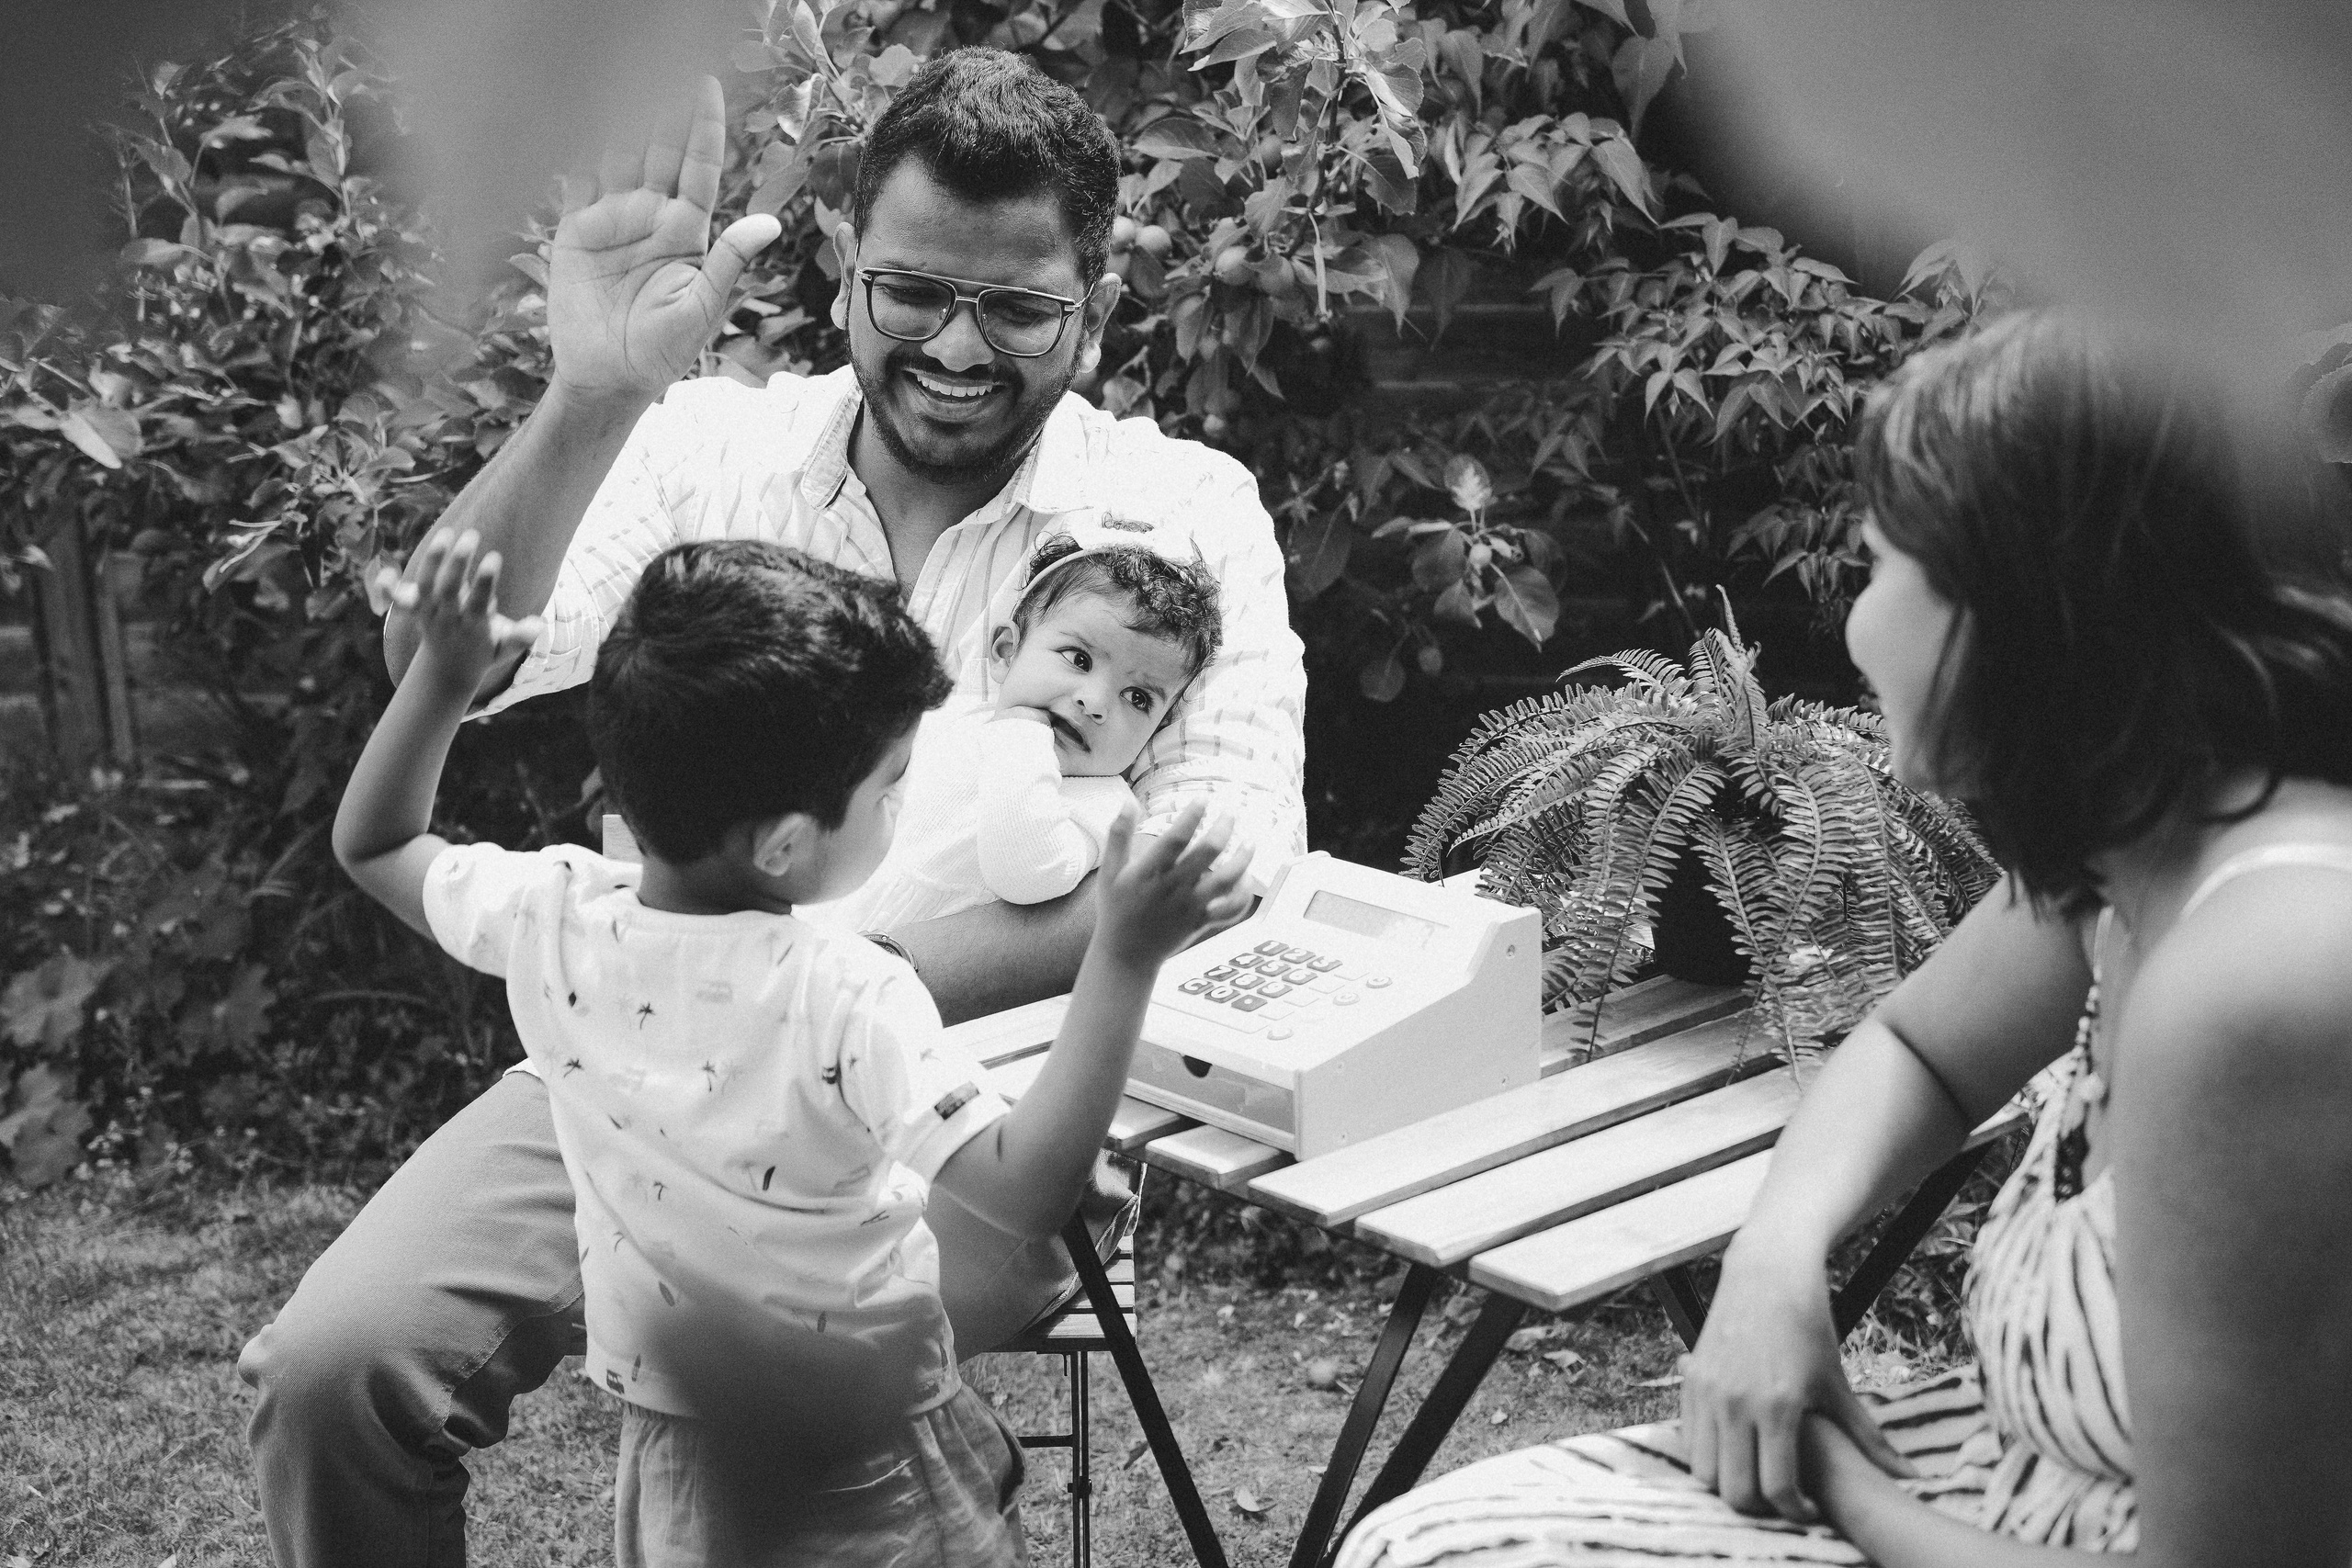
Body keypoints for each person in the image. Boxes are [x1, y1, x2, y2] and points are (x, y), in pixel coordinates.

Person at [237, 48, 1305, 1568]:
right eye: (914, 290)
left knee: (792, 1444)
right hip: (635, 1073)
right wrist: (586, 401)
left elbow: (1236, 850)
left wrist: (789, 989)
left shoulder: (1182, 509)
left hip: (964, 1108)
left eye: (1017, 306)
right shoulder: (703, 442)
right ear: (842, 266)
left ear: (1099, 309)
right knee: (333, 1373)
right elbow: (437, 665)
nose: (955, 345)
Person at [1340, 310, 2352, 1568]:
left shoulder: (2259, 979)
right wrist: (1774, 1257)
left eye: (1879, 567)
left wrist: (1835, 1482)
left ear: (2013, 609)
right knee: (1431, 1536)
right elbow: (1918, 1046)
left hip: (1992, 1523)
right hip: (1998, 1480)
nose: (1857, 623)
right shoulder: (2139, 847)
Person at [332, 527, 1247, 1564]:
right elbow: (1027, 1193)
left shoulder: (552, 915)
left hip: (677, 1434)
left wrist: (445, 679)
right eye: (890, 789)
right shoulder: (849, 993)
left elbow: (374, 844)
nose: (902, 803)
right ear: (788, 844)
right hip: (873, 1442)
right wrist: (1123, 953)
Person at [807, 524, 1225, 932]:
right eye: (1079, 659)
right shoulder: (949, 718)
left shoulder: (1103, 804)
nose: (1095, 703)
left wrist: (1023, 737)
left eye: (1137, 698)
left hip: (909, 964)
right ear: (1006, 651)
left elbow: (1028, 875)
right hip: (817, 915)